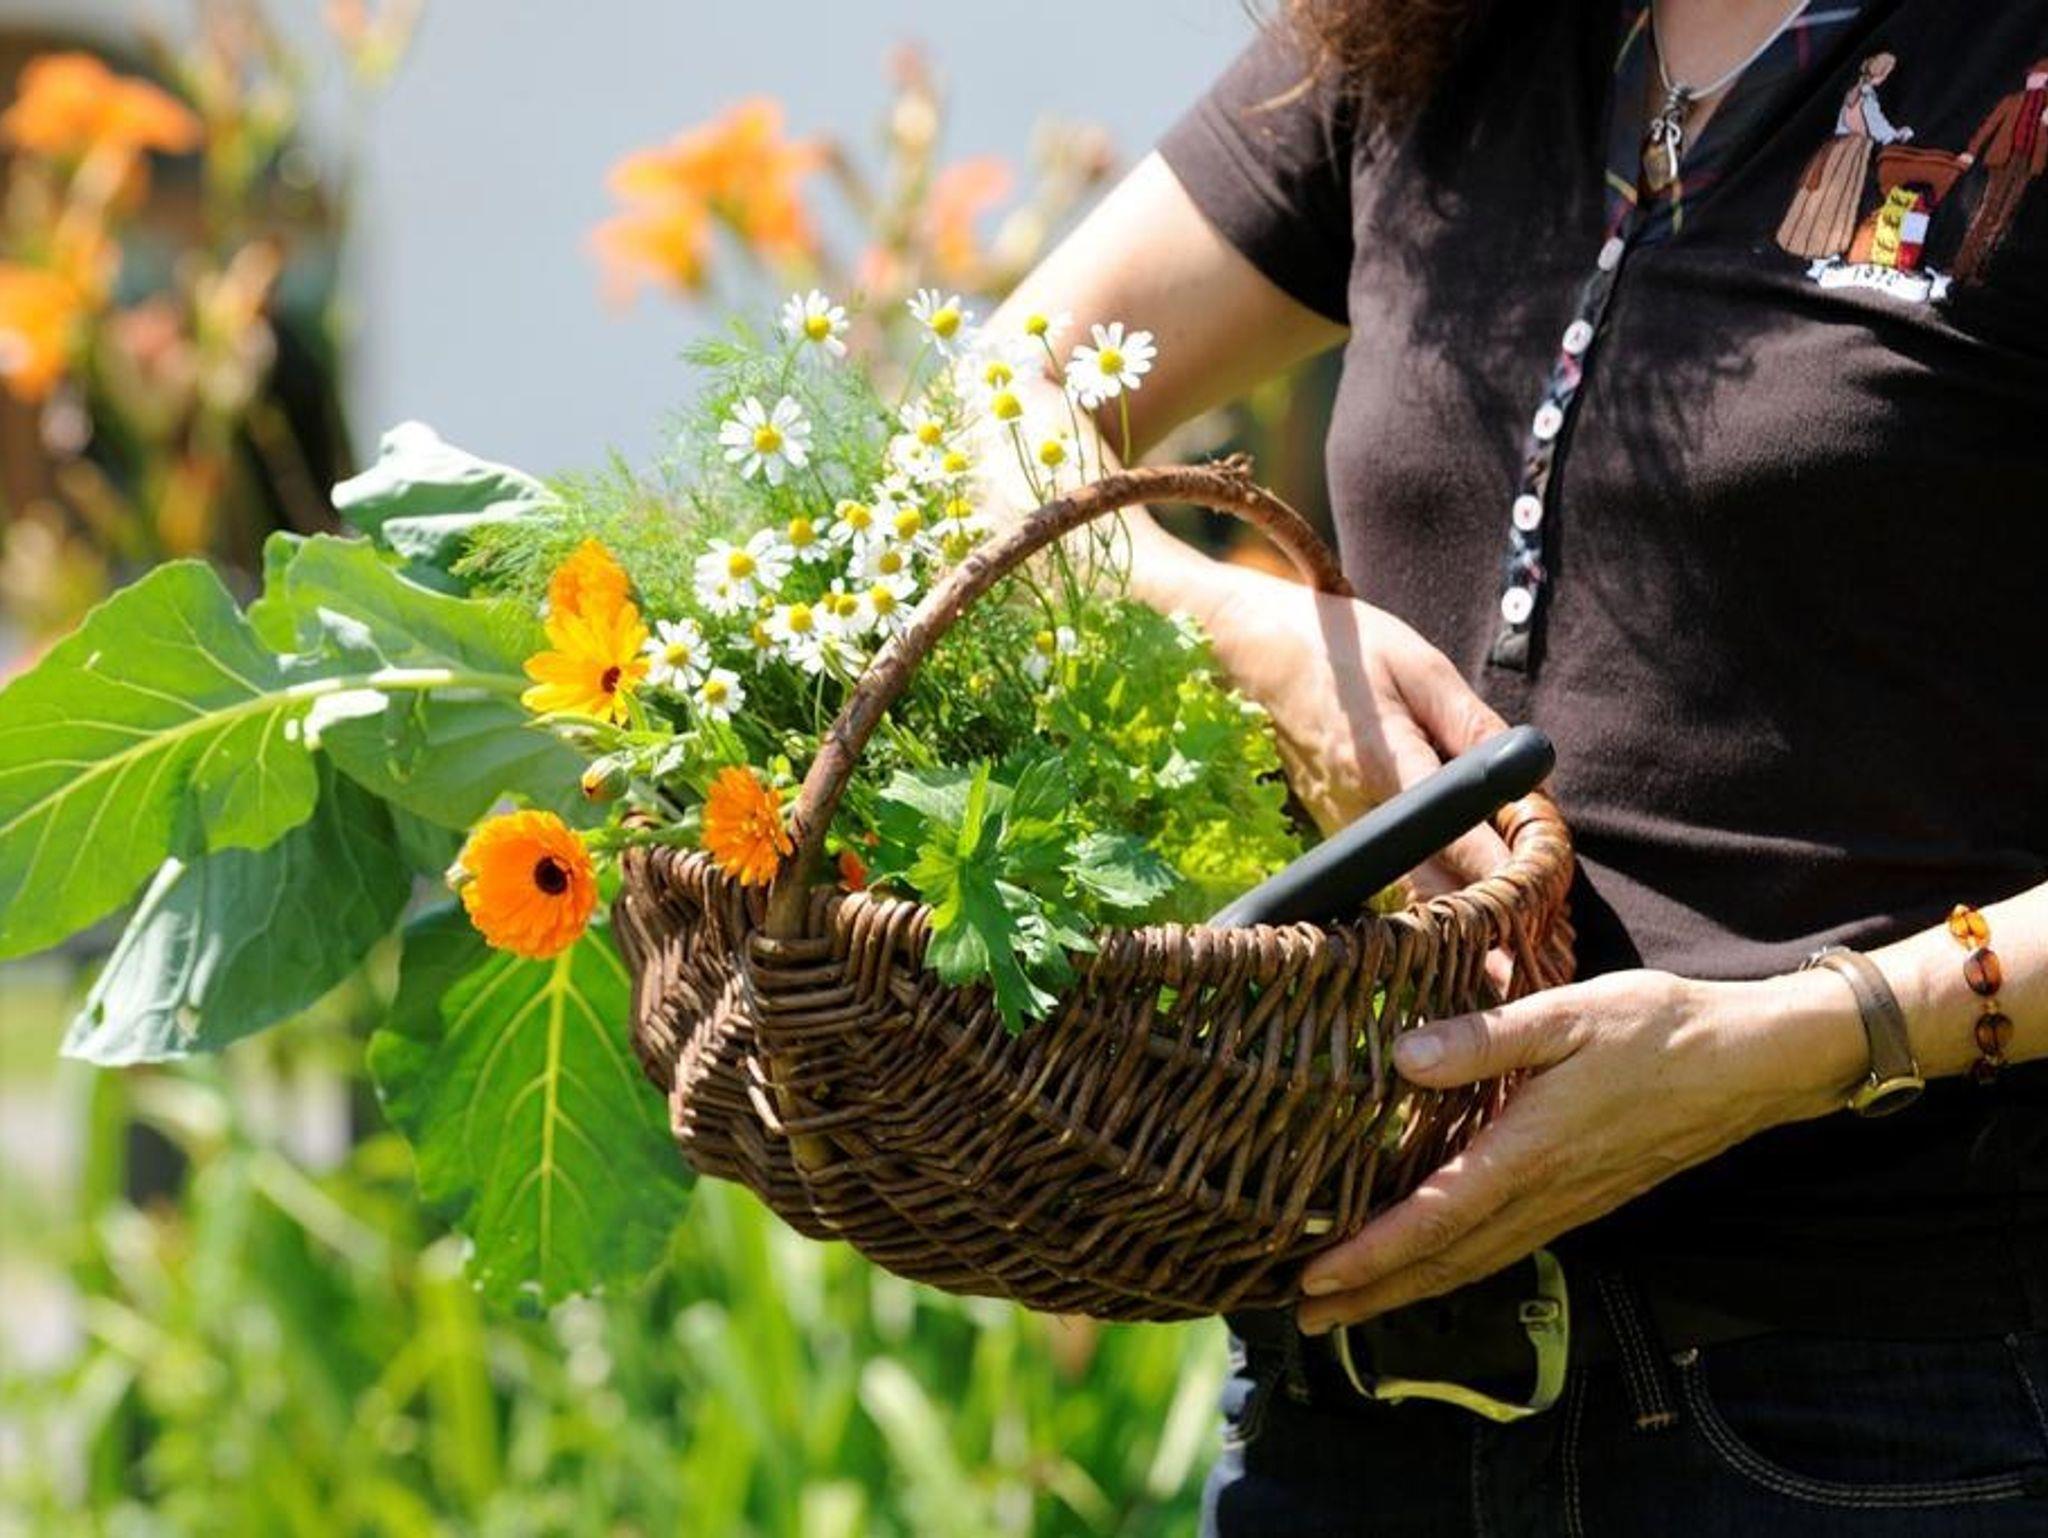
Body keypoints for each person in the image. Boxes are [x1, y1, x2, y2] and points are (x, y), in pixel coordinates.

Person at [984, 0, 2048, 1532]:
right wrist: (1237, 628)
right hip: (1345, 1410)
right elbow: (984, 412)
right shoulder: (1420, 33)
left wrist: (1805, 1039)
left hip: (1870, 1419)